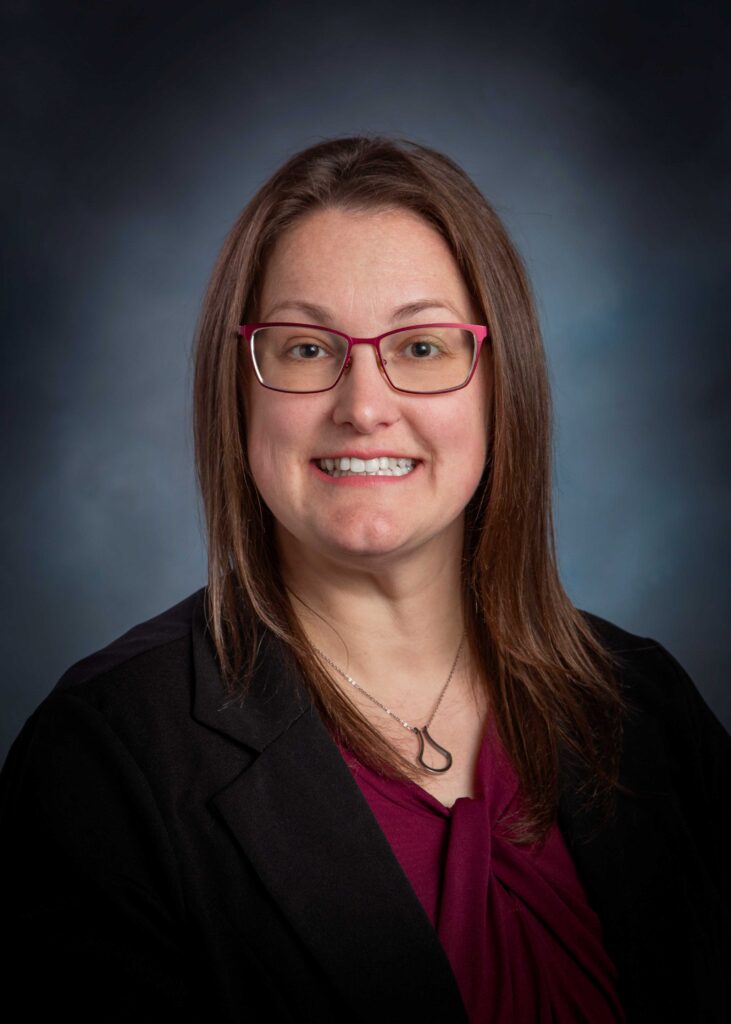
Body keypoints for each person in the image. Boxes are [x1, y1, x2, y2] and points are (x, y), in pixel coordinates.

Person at [1, 136, 728, 1023]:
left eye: (422, 347)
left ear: (502, 386)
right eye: (307, 350)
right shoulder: (108, 758)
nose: (363, 405)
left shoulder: (647, 705)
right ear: (240, 390)